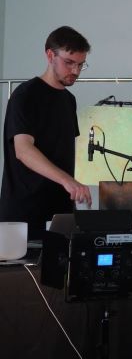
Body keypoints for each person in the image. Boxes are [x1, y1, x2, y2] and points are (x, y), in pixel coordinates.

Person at [0, 26, 92, 240]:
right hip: (23, 215)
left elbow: (63, 152)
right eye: (69, 62)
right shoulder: (25, 95)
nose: (75, 71)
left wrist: (71, 186)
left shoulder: (69, 101)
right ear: (50, 55)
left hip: (60, 214)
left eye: (80, 64)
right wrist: (68, 181)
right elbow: (23, 150)